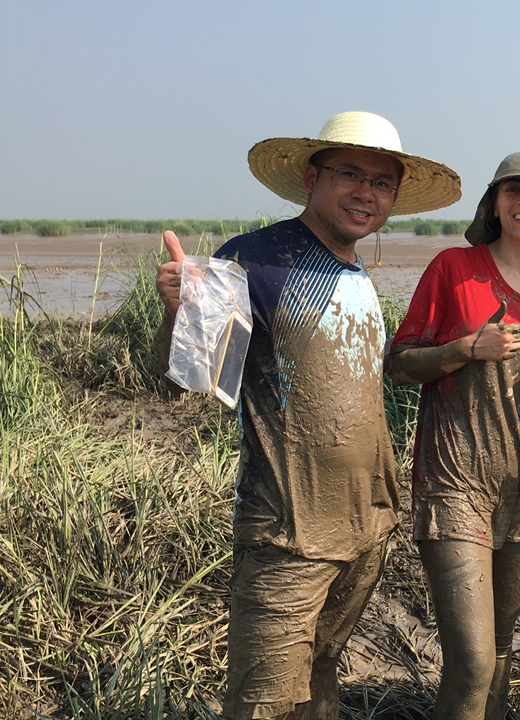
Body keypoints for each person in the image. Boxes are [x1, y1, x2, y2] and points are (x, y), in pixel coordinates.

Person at [154, 111, 461, 720]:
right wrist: (177, 311)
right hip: (286, 531)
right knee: (261, 701)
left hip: (367, 525)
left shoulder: (356, 271)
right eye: (351, 174)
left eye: (381, 183)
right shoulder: (254, 259)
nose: (365, 193)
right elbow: (186, 378)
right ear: (312, 176)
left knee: (323, 671)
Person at [387, 150, 520, 720]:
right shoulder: (454, 269)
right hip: (454, 483)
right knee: (471, 660)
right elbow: (398, 363)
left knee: (499, 653)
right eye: (513, 190)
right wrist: (464, 348)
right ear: (494, 203)